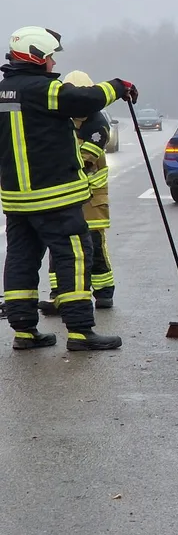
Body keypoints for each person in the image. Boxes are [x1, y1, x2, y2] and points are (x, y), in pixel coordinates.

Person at [0, 26, 135, 351]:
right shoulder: (42, 89)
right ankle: (79, 331)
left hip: (17, 199)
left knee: (20, 259)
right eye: (48, 56)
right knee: (74, 255)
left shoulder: (3, 91)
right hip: (56, 195)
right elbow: (84, 98)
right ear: (35, 56)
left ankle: (24, 331)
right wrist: (119, 86)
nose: (50, 63)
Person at [39, 70, 116, 315]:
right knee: (60, 245)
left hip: (91, 199)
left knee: (93, 245)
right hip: (66, 194)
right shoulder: (61, 117)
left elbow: (86, 158)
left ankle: (103, 292)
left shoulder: (98, 123)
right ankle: (58, 294)